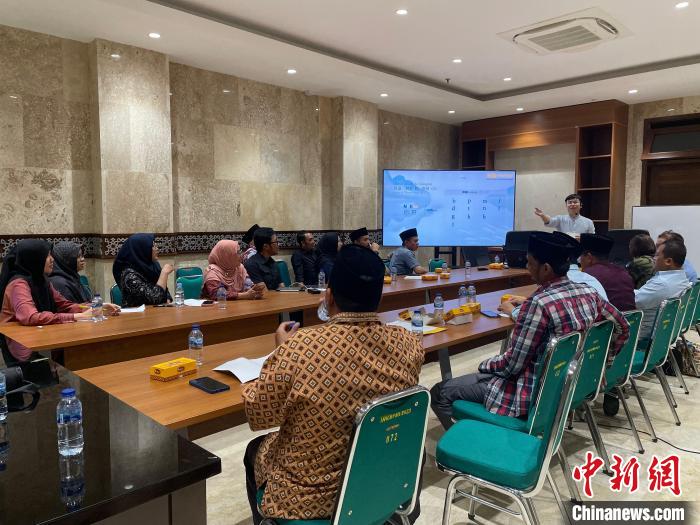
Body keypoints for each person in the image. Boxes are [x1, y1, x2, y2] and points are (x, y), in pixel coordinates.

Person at [242, 245, 424, 524]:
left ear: (328, 296)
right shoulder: (409, 344)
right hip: (380, 483)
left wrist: (281, 352)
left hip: (308, 498)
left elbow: (260, 414)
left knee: (255, 449)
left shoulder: (301, 347)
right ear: (379, 297)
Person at [430, 232, 629, 430]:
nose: (527, 268)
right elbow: (623, 326)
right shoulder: (589, 292)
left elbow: (512, 365)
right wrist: (602, 363)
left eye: (530, 263)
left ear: (546, 268)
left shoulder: (539, 304)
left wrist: (484, 364)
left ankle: (467, 443)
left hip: (531, 394)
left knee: (440, 392)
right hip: (573, 385)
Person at [0, 240, 119, 363]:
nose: (52, 260)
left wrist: (97, 307)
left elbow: (65, 305)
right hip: (21, 347)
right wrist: (77, 316)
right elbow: (31, 317)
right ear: (35, 259)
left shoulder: (42, 280)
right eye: (47, 256)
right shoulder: (18, 284)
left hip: (41, 340)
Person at [635, 239, 691, 344]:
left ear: (668, 261)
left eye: (656, 255)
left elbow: (632, 301)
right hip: (663, 334)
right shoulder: (682, 279)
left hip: (640, 335)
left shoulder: (662, 284)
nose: (653, 258)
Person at [113, 233, 173, 307]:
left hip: (157, 311)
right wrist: (164, 273)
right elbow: (155, 298)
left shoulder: (154, 266)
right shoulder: (129, 276)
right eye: (153, 246)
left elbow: (164, 290)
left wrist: (168, 298)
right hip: (135, 313)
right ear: (142, 249)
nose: (157, 249)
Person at [579, 233, 635, 311]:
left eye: (581, 256)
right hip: (632, 318)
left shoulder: (587, 276)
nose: (580, 260)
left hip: (607, 318)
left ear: (589, 258)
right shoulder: (624, 272)